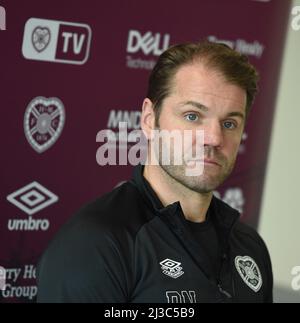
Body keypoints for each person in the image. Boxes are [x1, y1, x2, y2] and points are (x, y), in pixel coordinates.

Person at [37, 41, 273, 303]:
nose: (214, 138)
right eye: (193, 116)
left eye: (230, 123)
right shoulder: (97, 243)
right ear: (150, 119)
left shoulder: (249, 245)